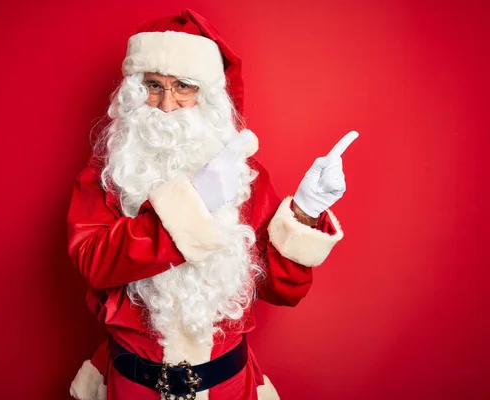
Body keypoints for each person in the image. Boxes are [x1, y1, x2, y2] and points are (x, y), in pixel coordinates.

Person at [67, 9, 357, 400]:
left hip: (228, 388)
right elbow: (93, 262)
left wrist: (305, 210)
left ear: (208, 96)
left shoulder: (243, 178)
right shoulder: (109, 174)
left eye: (183, 86)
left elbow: (282, 289)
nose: (166, 105)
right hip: (134, 386)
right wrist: (194, 206)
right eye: (153, 85)